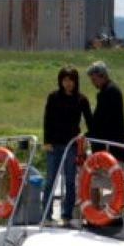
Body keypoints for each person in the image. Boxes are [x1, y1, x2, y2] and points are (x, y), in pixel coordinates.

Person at [43, 66, 93, 226]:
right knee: (50, 180)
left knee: (70, 181)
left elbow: (90, 121)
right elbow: (47, 119)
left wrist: (84, 136)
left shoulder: (82, 99)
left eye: (71, 80)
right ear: (60, 81)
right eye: (65, 80)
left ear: (75, 81)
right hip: (53, 145)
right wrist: (47, 142)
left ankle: (67, 215)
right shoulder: (53, 97)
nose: (68, 83)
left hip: (71, 145)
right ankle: (47, 215)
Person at [85, 61, 124, 161]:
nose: (93, 82)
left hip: (110, 149)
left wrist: (89, 135)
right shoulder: (111, 90)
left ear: (102, 75)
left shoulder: (109, 92)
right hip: (111, 148)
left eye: (94, 79)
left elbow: (102, 120)